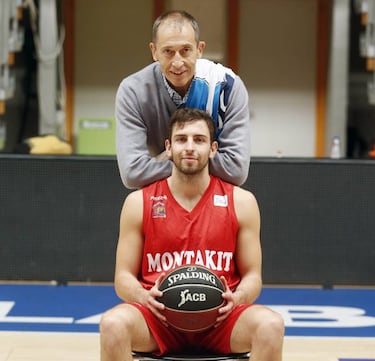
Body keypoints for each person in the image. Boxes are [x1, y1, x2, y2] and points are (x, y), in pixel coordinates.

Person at [100, 108, 284, 361]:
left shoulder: (242, 202)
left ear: (213, 148)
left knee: (271, 326)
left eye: (199, 140)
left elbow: (253, 275)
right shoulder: (138, 202)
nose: (189, 147)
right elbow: (122, 278)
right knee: (112, 325)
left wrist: (238, 297)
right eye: (181, 139)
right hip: (158, 319)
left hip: (221, 319)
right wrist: (144, 297)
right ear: (168, 146)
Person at [116, 10, 251, 189]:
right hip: (160, 199)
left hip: (213, 199)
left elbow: (236, 170)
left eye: (185, 50)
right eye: (168, 52)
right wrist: (198, 156)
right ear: (154, 51)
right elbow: (132, 174)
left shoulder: (226, 86)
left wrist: (168, 156)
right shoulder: (132, 91)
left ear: (199, 49)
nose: (177, 62)